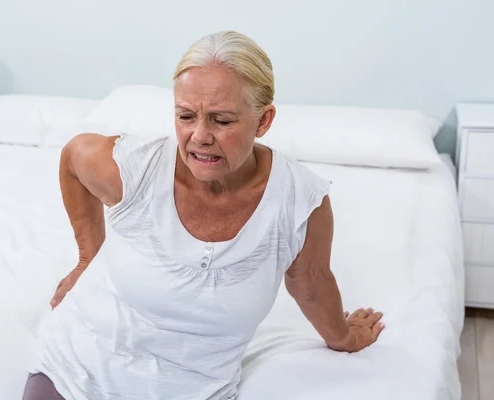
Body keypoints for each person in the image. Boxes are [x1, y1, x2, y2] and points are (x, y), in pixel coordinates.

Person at [23, 30, 385, 400]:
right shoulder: (135, 168)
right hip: (76, 369)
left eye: (221, 120)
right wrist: (87, 258)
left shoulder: (299, 202)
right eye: (185, 116)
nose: (199, 136)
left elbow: (311, 281)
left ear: (263, 121)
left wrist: (344, 337)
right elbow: (73, 156)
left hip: (194, 388)